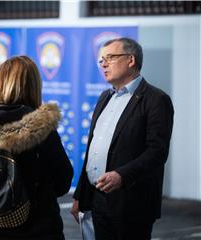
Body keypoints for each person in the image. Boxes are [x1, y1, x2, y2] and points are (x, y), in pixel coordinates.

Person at [0, 55, 74, 240]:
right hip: (35, 228)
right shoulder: (40, 128)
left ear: (1, 84)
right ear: (34, 86)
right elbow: (63, 181)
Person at [70, 38, 174, 240]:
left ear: (131, 60)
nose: (104, 64)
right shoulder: (104, 98)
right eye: (101, 60)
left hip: (131, 203)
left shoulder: (155, 99)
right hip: (98, 199)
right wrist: (80, 196)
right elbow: (94, 150)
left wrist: (122, 175)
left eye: (110, 57)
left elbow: (157, 152)